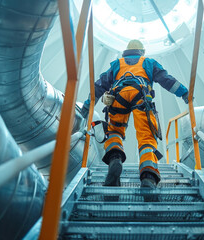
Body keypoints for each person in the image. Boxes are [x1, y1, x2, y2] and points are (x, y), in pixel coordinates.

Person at [81, 39, 189, 189]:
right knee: (146, 136)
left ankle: (115, 159)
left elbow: (99, 85)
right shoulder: (148, 62)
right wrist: (184, 93)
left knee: (114, 132)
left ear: (127, 51)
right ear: (142, 52)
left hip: (118, 96)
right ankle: (148, 177)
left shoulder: (117, 64)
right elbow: (166, 80)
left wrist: (88, 105)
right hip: (142, 97)